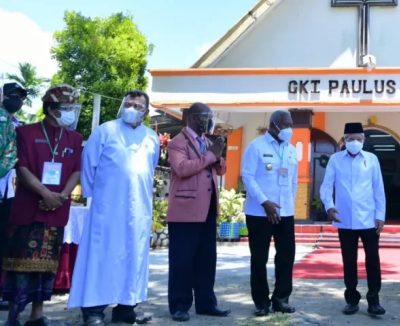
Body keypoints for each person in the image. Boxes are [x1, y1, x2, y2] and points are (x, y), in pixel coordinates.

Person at [68, 91, 159, 326]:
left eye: (138, 106)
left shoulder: (151, 137)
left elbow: (151, 168)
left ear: (146, 112)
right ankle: (93, 309)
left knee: (133, 256)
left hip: (138, 210)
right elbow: (88, 165)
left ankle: (126, 307)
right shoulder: (105, 131)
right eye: (128, 104)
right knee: (101, 255)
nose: (132, 108)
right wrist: (94, 198)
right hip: (107, 208)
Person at [2, 85, 82, 326]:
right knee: (19, 265)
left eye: (71, 107)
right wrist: (45, 193)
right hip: (29, 206)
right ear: (50, 109)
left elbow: (77, 170)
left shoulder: (75, 138)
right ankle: (14, 316)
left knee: (47, 267)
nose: (70, 112)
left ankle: (37, 315)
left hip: (57, 208)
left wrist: (62, 196)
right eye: (65, 107)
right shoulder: (26, 132)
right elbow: (22, 167)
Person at [166, 103, 229, 322]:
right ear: (191, 118)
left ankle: (206, 304)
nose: (208, 120)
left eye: (210, 116)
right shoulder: (177, 142)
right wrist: (211, 156)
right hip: (185, 211)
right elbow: (182, 169)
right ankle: (179, 305)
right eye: (205, 116)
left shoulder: (207, 141)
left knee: (206, 260)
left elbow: (220, 170)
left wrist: (219, 155)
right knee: (182, 261)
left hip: (208, 209)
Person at [320, 122, 386, 316]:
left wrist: (380, 216)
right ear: (344, 140)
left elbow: (378, 189)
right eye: (351, 139)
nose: (355, 142)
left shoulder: (372, 159)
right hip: (344, 219)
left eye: (358, 139)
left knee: (373, 260)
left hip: (369, 219)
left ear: (364, 140)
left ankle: (374, 301)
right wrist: (329, 206)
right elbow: (326, 186)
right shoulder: (335, 160)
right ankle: (351, 299)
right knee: (349, 261)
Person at [241, 110, 298, 317]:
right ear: (274, 125)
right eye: (286, 124)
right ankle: (261, 302)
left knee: (286, 257)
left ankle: (281, 299)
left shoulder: (291, 150)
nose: (289, 128)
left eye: (291, 124)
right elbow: (247, 176)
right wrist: (265, 202)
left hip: (285, 213)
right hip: (259, 212)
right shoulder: (256, 147)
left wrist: (289, 206)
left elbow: (293, 181)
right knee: (259, 258)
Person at [0, 83, 27, 311]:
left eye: (20, 97)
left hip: (8, 192)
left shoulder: (15, 123)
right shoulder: (3, 122)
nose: (16, 100)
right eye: (12, 95)